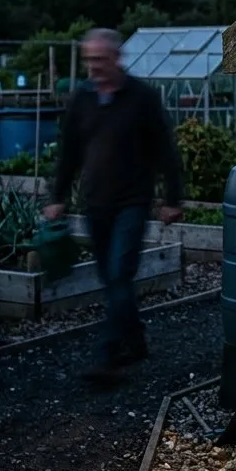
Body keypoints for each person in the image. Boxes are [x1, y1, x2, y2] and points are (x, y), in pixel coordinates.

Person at [44, 28, 184, 384]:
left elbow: (165, 151)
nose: (94, 67)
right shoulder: (82, 99)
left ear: (117, 59)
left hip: (132, 203)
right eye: (89, 60)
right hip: (96, 204)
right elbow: (69, 152)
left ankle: (108, 357)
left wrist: (171, 200)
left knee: (120, 273)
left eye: (100, 60)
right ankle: (136, 341)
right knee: (111, 279)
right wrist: (57, 196)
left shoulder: (142, 98)